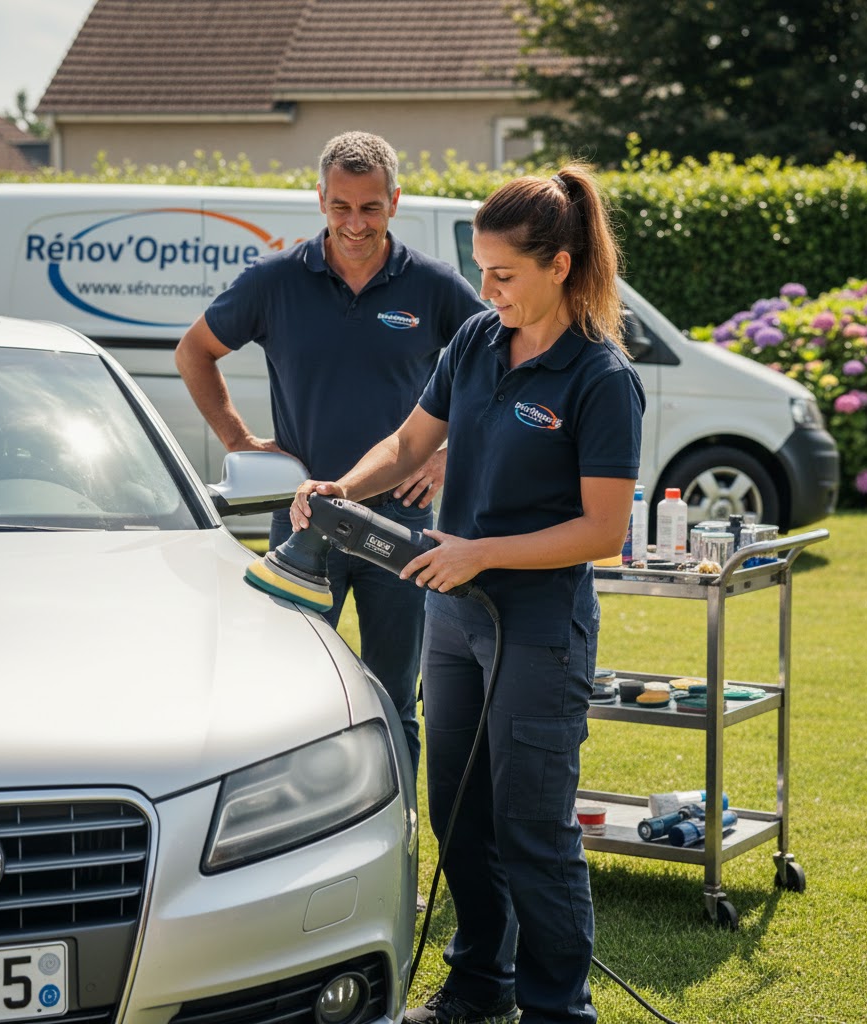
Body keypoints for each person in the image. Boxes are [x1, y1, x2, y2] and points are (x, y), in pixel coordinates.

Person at [289, 165, 646, 1024]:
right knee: (458, 813)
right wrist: (343, 486)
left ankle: (559, 1010)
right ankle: (482, 984)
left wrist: (482, 553)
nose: (487, 290)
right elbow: (410, 444)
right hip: (452, 615)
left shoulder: (600, 377)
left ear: (560, 266)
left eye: (504, 274)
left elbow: (604, 530)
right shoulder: (478, 342)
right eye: (482, 271)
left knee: (532, 829)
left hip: (537, 626)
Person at [175, 131, 485, 778]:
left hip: (401, 525)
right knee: (287, 695)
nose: (355, 223)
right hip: (303, 521)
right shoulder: (274, 282)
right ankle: (295, 825)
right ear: (320, 199)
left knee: (395, 698)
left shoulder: (435, 287)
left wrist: (449, 452)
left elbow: (500, 371)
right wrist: (240, 442)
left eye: (370, 207)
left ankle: (397, 825)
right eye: (341, 206)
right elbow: (194, 351)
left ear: (394, 202)